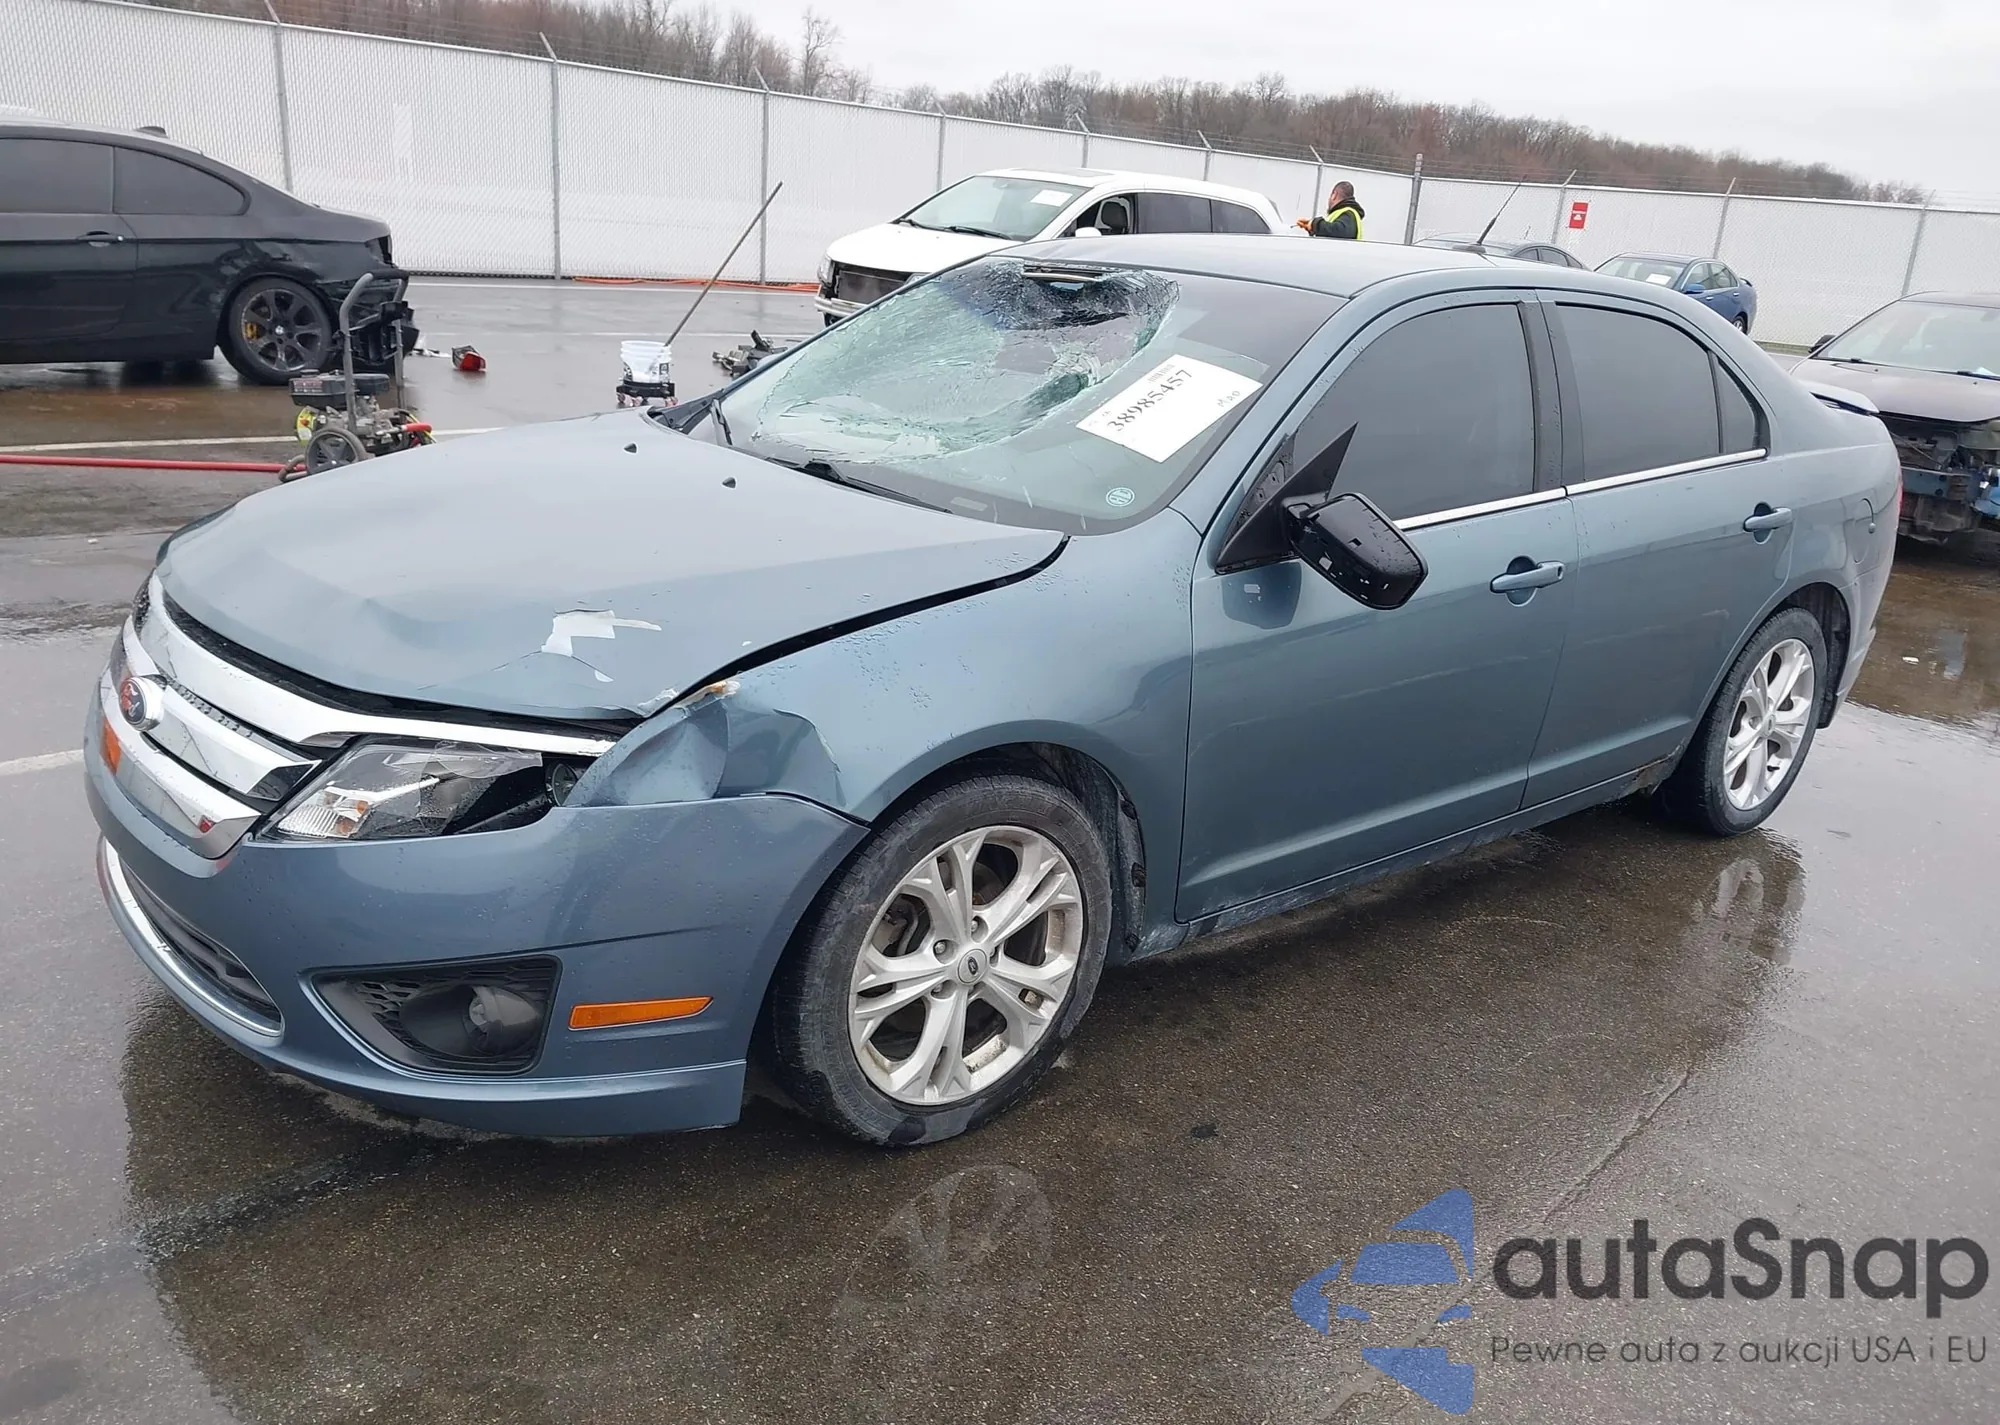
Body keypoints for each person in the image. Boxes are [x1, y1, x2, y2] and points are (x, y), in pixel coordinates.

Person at [1298, 182, 1365, 240]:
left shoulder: (1349, 213)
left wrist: (1315, 224)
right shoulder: (1343, 214)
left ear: (1334, 195)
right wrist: (1312, 228)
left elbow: (1339, 232)